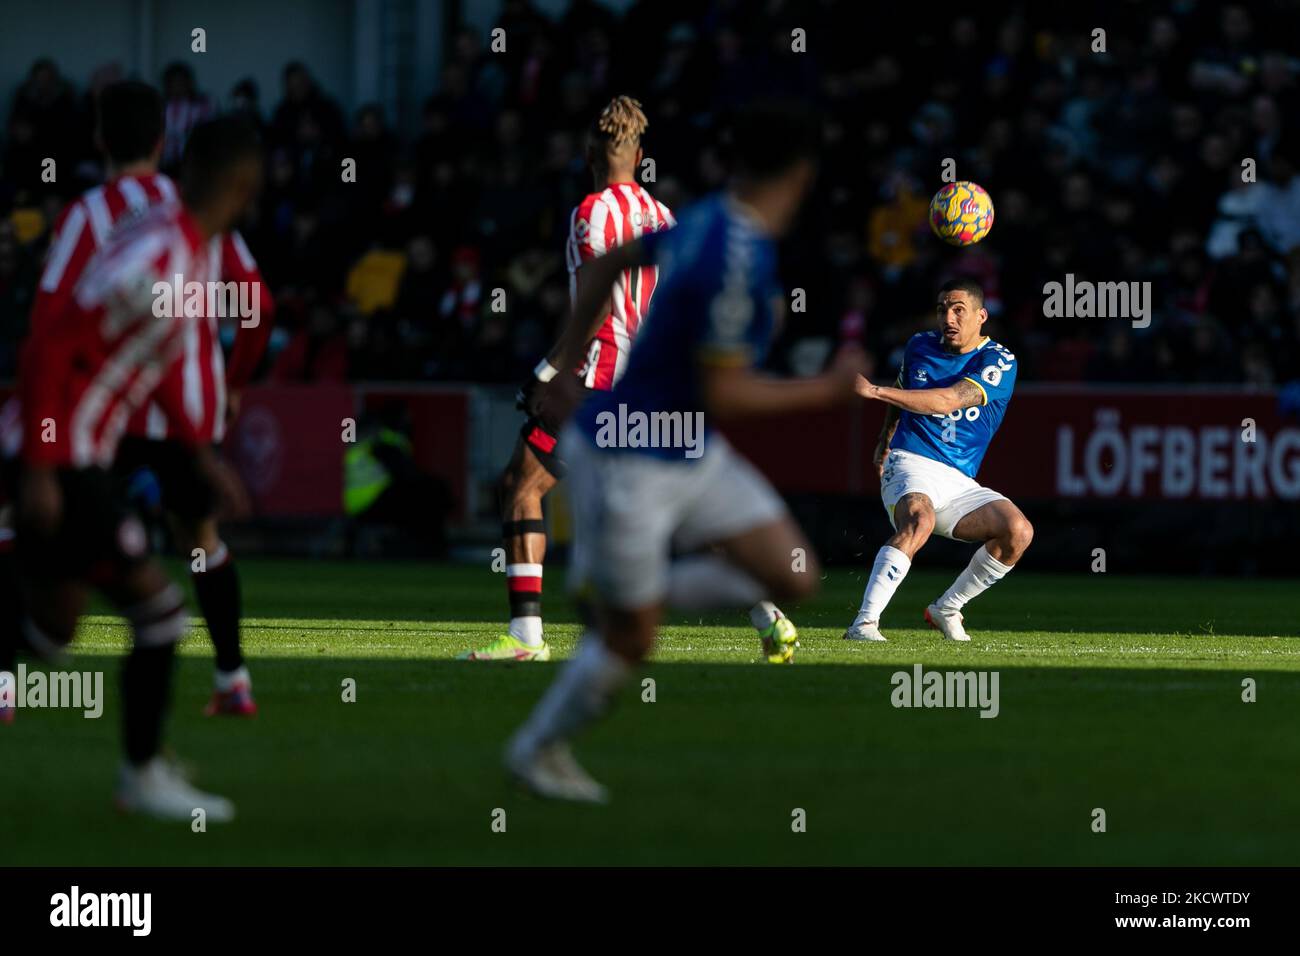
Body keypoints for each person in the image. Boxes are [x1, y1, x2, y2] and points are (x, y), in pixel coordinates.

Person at [505, 101, 867, 802]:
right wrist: (825, 390)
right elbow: (729, 395)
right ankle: (537, 749)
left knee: (793, 576)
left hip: (687, 444)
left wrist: (568, 362)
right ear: (799, 177)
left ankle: (614, 596)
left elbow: (612, 264)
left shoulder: (703, 217)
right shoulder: (729, 250)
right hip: (635, 455)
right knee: (632, 641)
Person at [460, 95, 798, 666]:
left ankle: (527, 636)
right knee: (682, 511)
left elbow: (593, 306)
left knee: (521, 486)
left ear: (589, 151)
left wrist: (548, 370)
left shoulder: (590, 213)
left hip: (596, 383)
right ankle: (767, 612)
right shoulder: (665, 216)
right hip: (654, 384)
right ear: (640, 155)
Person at [6, 117, 263, 819]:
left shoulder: (189, 250)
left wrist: (199, 456)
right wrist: (40, 469)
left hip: (66, 448)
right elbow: (48, 350)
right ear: (241, 187)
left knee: (54, 626)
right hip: (66, 451)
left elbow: (151, 366)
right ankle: (142, 777)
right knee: (158, 613)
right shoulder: (162, 254)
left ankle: (143, 772)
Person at [846, 278, 1034, 643]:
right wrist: (884, 441)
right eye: (943, 309)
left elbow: (948, 400)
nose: (948, 317)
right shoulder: (919, 345)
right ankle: (864, 624)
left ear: (981, 316)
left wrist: (873, 390)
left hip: (960, 479)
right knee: (919, 519)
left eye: (958, 310)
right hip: (910, 460)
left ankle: (947, 607)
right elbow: (905, 392)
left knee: (1018, 531)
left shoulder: (999, 360)